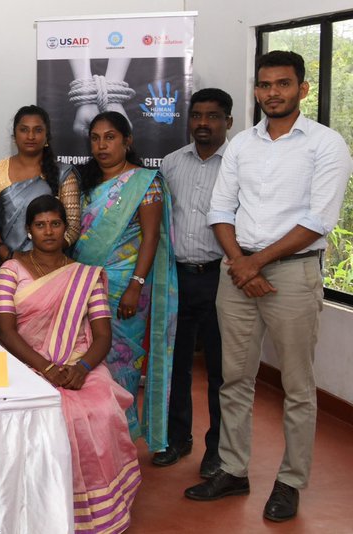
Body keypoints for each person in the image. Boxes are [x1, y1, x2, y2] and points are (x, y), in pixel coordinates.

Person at [187, 51, 353, 522]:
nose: (272, 92)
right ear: (256, 90)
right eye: (264, 84)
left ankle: (290, 482)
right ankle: (233, 470)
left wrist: (253, 263)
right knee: (234, 379)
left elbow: (319, 219)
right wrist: (241, 263)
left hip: (292, 273)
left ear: (302, 88)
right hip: (238, 271)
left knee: (298, 386)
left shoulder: (326, 144)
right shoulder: (242, 144)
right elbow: (220, 210)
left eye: (283, 84)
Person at [0, 195, 140, 533]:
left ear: (65, 229)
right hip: (26, 364)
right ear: (28, 230)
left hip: (79, 365)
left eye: (55, 224)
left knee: (100, 409)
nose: (48, 231)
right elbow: (6, 331)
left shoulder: (85, 276)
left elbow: (102, 336)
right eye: (40, 225)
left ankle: (92, 513)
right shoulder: (10, 270)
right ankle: (35, 509)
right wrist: (46, 369)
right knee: (36, 413)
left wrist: (82, 369)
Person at [71, 111, 177, 453]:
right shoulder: (85, 183)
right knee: (84, 363)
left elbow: (150, 239)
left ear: (127, 141)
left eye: (110, 137)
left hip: (125, 290)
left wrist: (136, 284)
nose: (102, 145)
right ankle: (91, 439)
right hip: (84, 287)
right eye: (96, 138)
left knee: (121, 365)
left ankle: (120, 442)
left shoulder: (145, 182)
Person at [155, 88, 232, 477]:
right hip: (177, 278)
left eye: (213, 116)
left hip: (223, 278)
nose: (203, 123)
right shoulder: (170, 163)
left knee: (221, 370)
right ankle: (176, 438)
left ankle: (217, 449)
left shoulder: (237, 164)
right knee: (176, 363)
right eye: (197, 116)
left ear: (228, 122)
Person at [0, 105, 82, 330]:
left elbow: (74, 226)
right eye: (24, 130)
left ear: (47, 136)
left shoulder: (63, 173)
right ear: (14, 135)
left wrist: (44, 258)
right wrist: (9, 255)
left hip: (52, 269)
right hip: (5, 266)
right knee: (4, 334)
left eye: (37, 130)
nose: (30, 136)